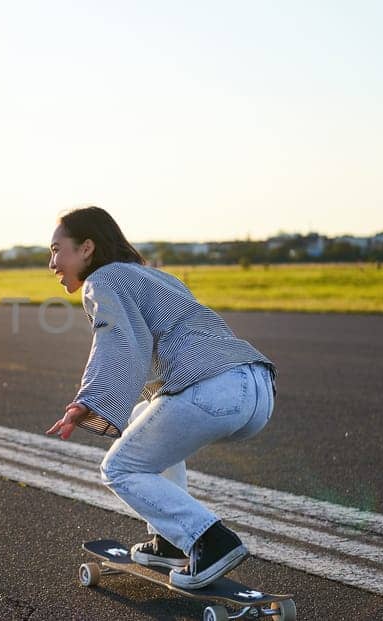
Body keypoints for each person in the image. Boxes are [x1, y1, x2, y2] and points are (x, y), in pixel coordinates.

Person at [44, 206, 277, 590]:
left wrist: (89, 400)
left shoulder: (101, 280)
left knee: (118, 468)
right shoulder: (155, 276)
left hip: (213, 388)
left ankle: (210, 540)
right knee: (141, 414)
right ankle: (169, 541)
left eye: (57, 250)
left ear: (86, 248)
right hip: (256, 387)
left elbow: (117, 340)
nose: (52, 263)